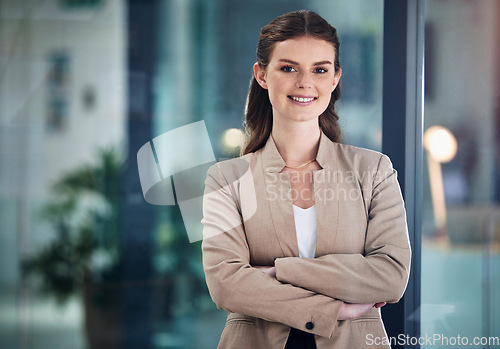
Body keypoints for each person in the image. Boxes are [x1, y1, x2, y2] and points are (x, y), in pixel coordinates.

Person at [201, 9, 411, 349]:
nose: (304, 83)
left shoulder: (373, 171)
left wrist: (280, 271)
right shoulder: (226, 178)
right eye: (288, 67)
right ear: (262, 75)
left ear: (334, 79)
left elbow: (391, 276)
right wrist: (336, 309)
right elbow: (226, 285)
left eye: (320, 70)